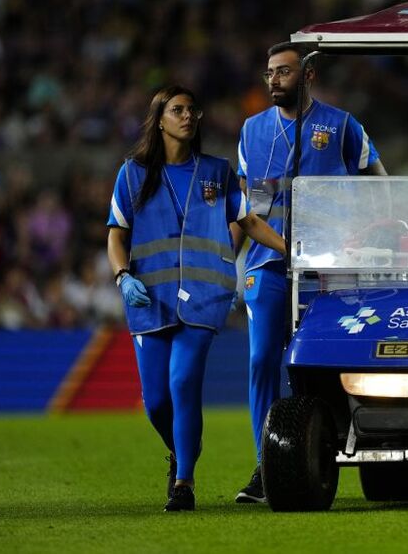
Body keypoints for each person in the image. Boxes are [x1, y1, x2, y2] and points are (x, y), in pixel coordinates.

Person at [106, 85, 286, 511]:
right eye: (178, 110)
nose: (188, 116)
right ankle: (182, 447)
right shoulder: (132, 173)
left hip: (204, 297)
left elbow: (250, 222)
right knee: (155, 403)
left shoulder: (216, 172)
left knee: (183, 382)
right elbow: (116, 235)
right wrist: (121, 276)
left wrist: (290, 250)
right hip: (148, 299)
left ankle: (184, 482)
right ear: (160, 119)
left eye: (192, 109)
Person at [234, 43, 387, 503]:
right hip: (268, 265)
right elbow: (244, 206)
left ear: (309, 74)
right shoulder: (251, 131)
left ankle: (355, 447)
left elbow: (381, 186)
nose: (274, 79)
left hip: (331, 270)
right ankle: (267, 466)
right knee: (263, 360)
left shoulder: (341, 125)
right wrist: (227, 263)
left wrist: (371, 232)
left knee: (331, 362)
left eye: (283, 71)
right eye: (269, 72)